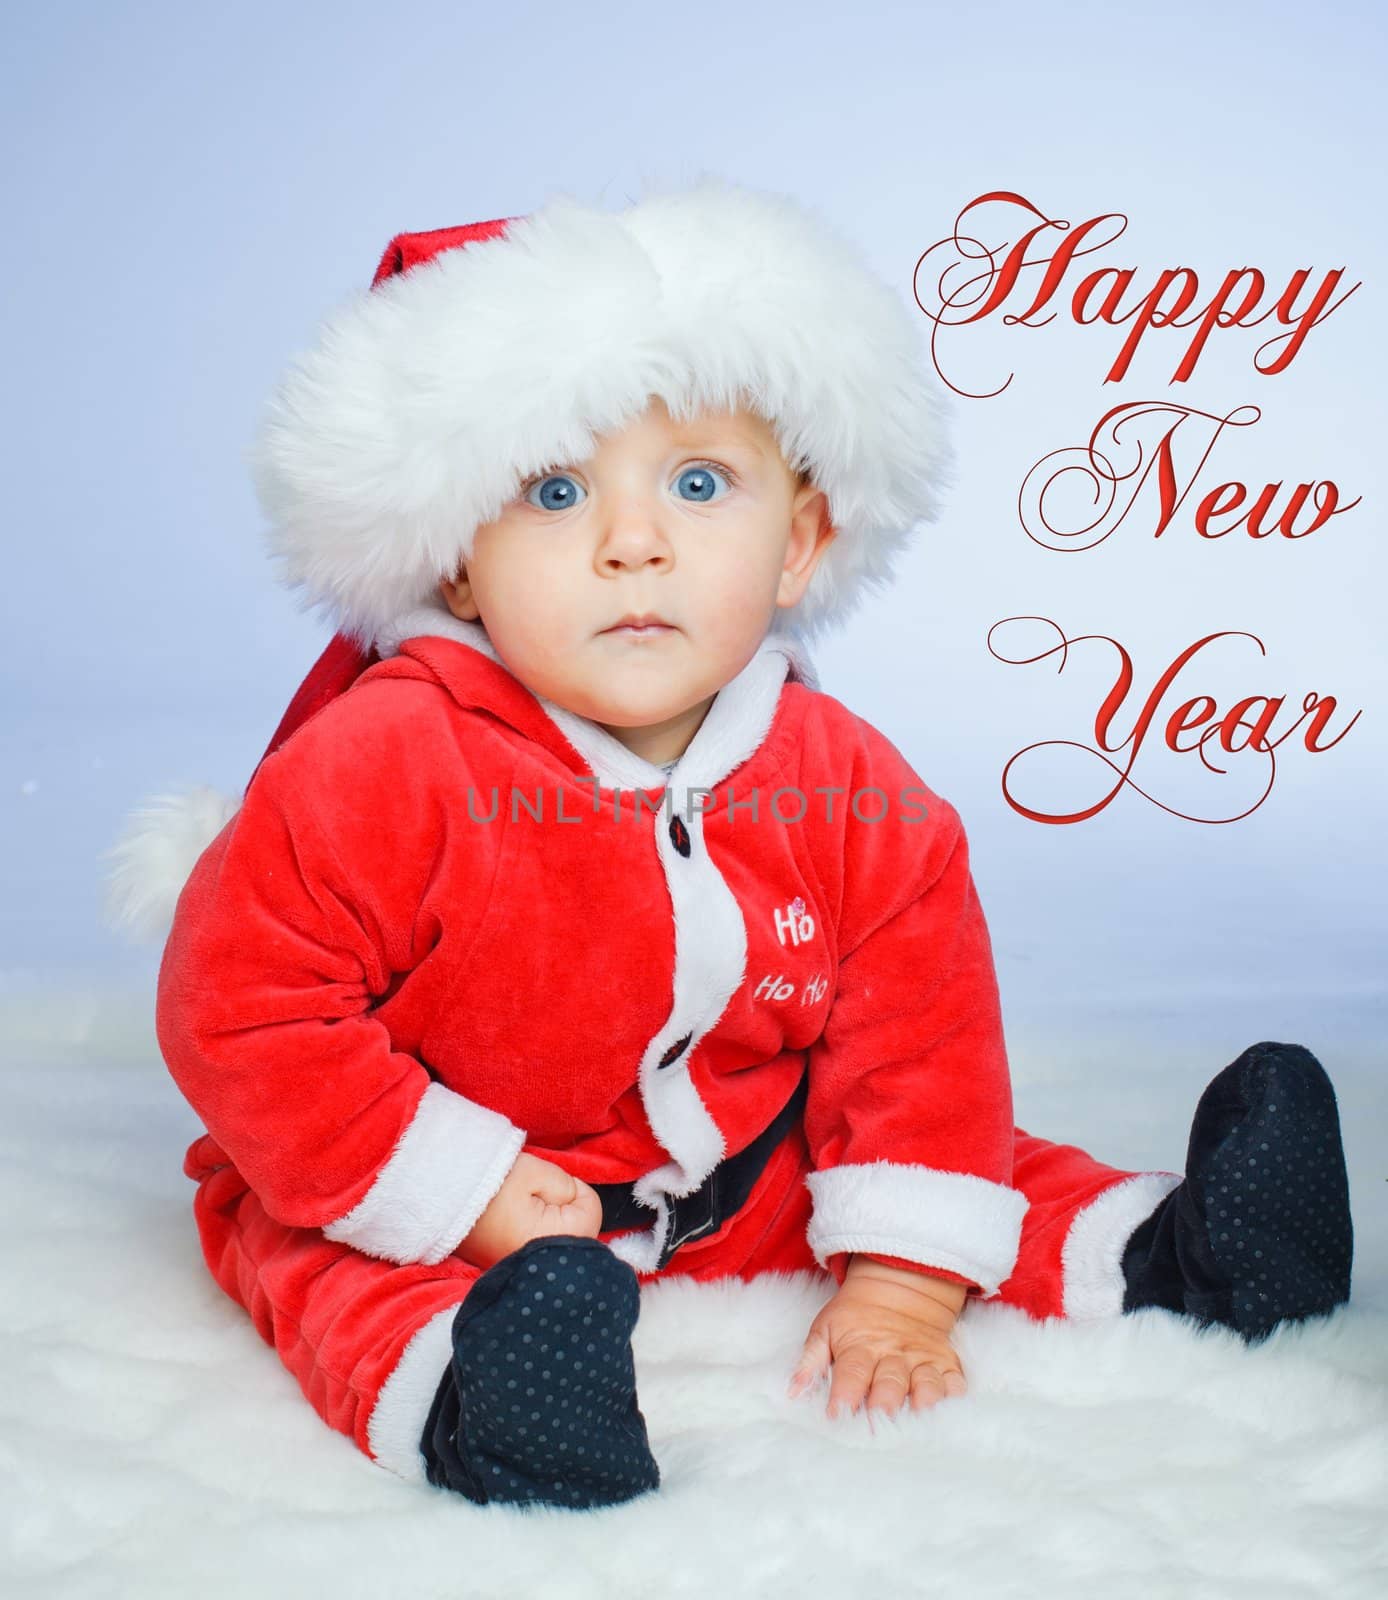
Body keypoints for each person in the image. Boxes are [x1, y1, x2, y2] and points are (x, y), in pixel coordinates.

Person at [107, 177, 1353, 1514]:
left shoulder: (845, 780)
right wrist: (458, 1185)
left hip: (740, 1171)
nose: (633, 543)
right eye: (552, 488)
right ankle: (480, 1400)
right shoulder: (384, 763)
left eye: (700, 484)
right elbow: (242, 1009)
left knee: (940, 1157)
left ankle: (1179, 1252)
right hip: (454, 1195)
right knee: (312, 1253)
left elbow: (917, 1038)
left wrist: (901, 1280)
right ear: (455, 562)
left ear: (802, 542)